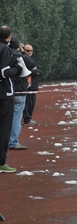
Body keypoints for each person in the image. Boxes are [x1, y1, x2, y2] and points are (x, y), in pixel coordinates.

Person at [0, 25, 23, 173]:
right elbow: (3, 72)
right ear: (9, 37)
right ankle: (2, 162)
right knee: (4, 129)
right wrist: (18, 69)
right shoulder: (5, 49)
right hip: (4, 95)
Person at [9, 37, 35, 149]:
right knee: (16, 117)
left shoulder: (5, 54)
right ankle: (13, 142)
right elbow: (32, 66)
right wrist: (22, 52)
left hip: (7, 90)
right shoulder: (21, 57)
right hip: (19, 90)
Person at [22, 44, 41, 127]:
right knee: (27, 103)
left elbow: (38, 71)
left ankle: (28, 118)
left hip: (33, 85)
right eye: (27, 50)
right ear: (24, 51)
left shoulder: (32, 60)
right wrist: (35, 72)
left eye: (31, 51)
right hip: (26, 85)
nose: (29, 52)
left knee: (32, 103)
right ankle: (27, 120)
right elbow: (27, 71)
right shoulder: (23, 59)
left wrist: (36, 72)